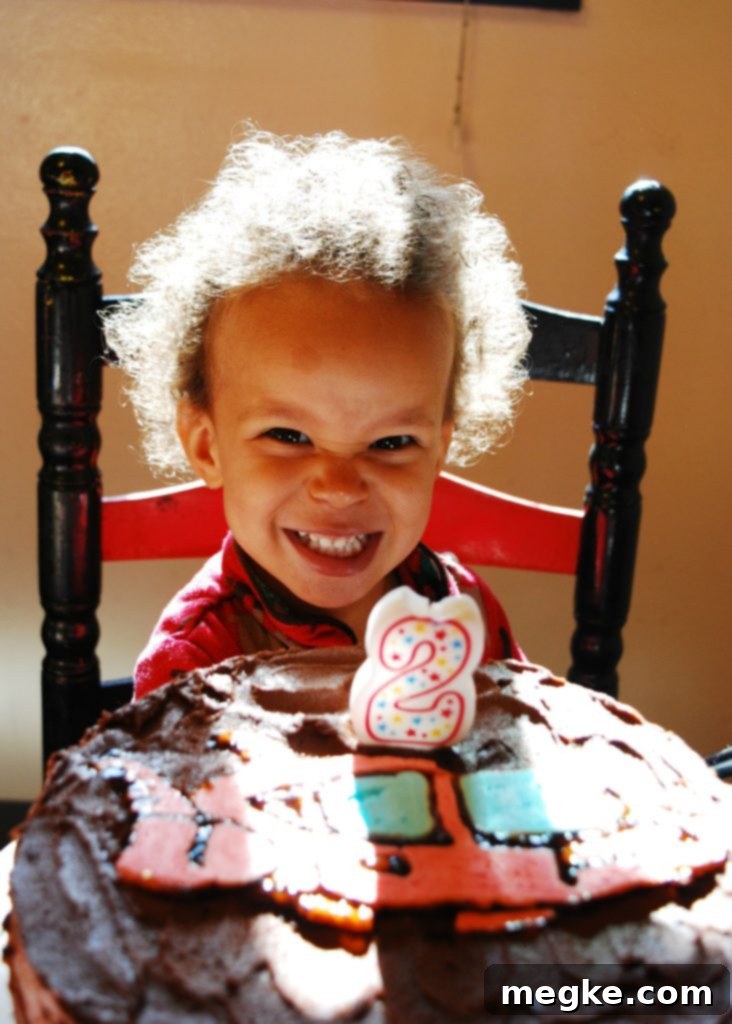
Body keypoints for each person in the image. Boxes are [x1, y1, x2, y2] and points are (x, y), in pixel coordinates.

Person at [104, 126, 532, 699]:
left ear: (440, 449)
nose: (339, 487)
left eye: (391, 443)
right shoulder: (194, 665)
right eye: (288, 434)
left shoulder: (462, 613)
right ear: (207, 446)